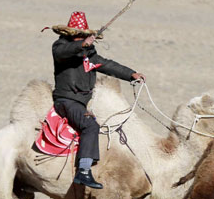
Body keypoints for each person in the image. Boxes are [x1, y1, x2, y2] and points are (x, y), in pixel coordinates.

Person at [49, 11, 145, 189]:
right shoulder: (60, 47)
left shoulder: (89, 55)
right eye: (78, 35)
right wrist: (82, 44)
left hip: (81, 102)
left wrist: (131, 74)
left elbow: (107, 65)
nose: (80, 38)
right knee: (90, 125)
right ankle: (83, 171)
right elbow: (65, 51)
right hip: (67, 100)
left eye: (83, 35)